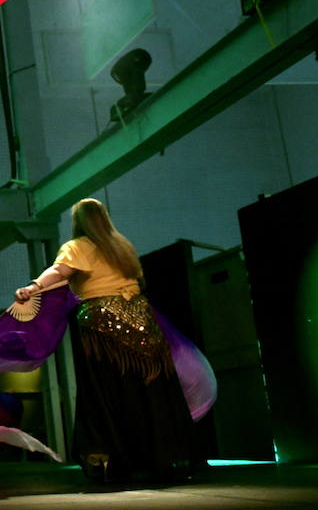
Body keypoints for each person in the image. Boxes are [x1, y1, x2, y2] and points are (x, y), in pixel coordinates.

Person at [16, 198, 197, 483]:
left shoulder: (78, 246)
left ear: (79, 222)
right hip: (142, 320)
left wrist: (33, 287)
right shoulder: (122, 245)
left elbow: (60, 271)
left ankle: (110, 458)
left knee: (106, 390)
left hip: (101, 324)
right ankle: (165, 458)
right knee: (150, 388)